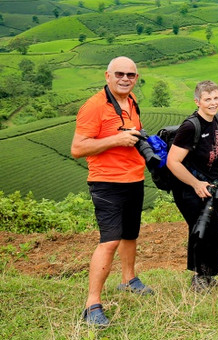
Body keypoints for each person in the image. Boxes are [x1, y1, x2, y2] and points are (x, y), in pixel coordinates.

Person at [71, 56, 154, 328]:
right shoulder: (94, 106)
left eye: (131, 75)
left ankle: (129, 279)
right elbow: (78, 148)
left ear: (136, 79)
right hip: (107, 182)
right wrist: (115, 140)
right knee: (109, 241)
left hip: (134, 178)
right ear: (107, 75)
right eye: (119, 74)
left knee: (130, 234)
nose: (125, 79)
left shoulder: (131, 103)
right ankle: (92, 304)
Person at [166, 80, 218, 293]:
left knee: (214, 229)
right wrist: (195, 183)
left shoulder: (217, 120)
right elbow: (172, 162)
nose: (213, 103)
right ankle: (198, 278)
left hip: (211, 186)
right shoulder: (190, 127)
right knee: (201, 230)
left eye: (216, 98)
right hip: (189, 189)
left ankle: (209, 275)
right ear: (197, 101)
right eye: (207, 99)